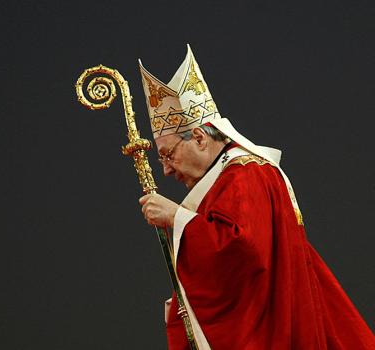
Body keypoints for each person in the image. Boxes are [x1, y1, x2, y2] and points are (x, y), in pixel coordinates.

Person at [137, 44, 375, 349]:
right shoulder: (224, 179)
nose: (167, 170)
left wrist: (176, 217)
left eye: (168, 155)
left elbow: (244, 252)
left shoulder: (245, 175)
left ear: (198, 137)